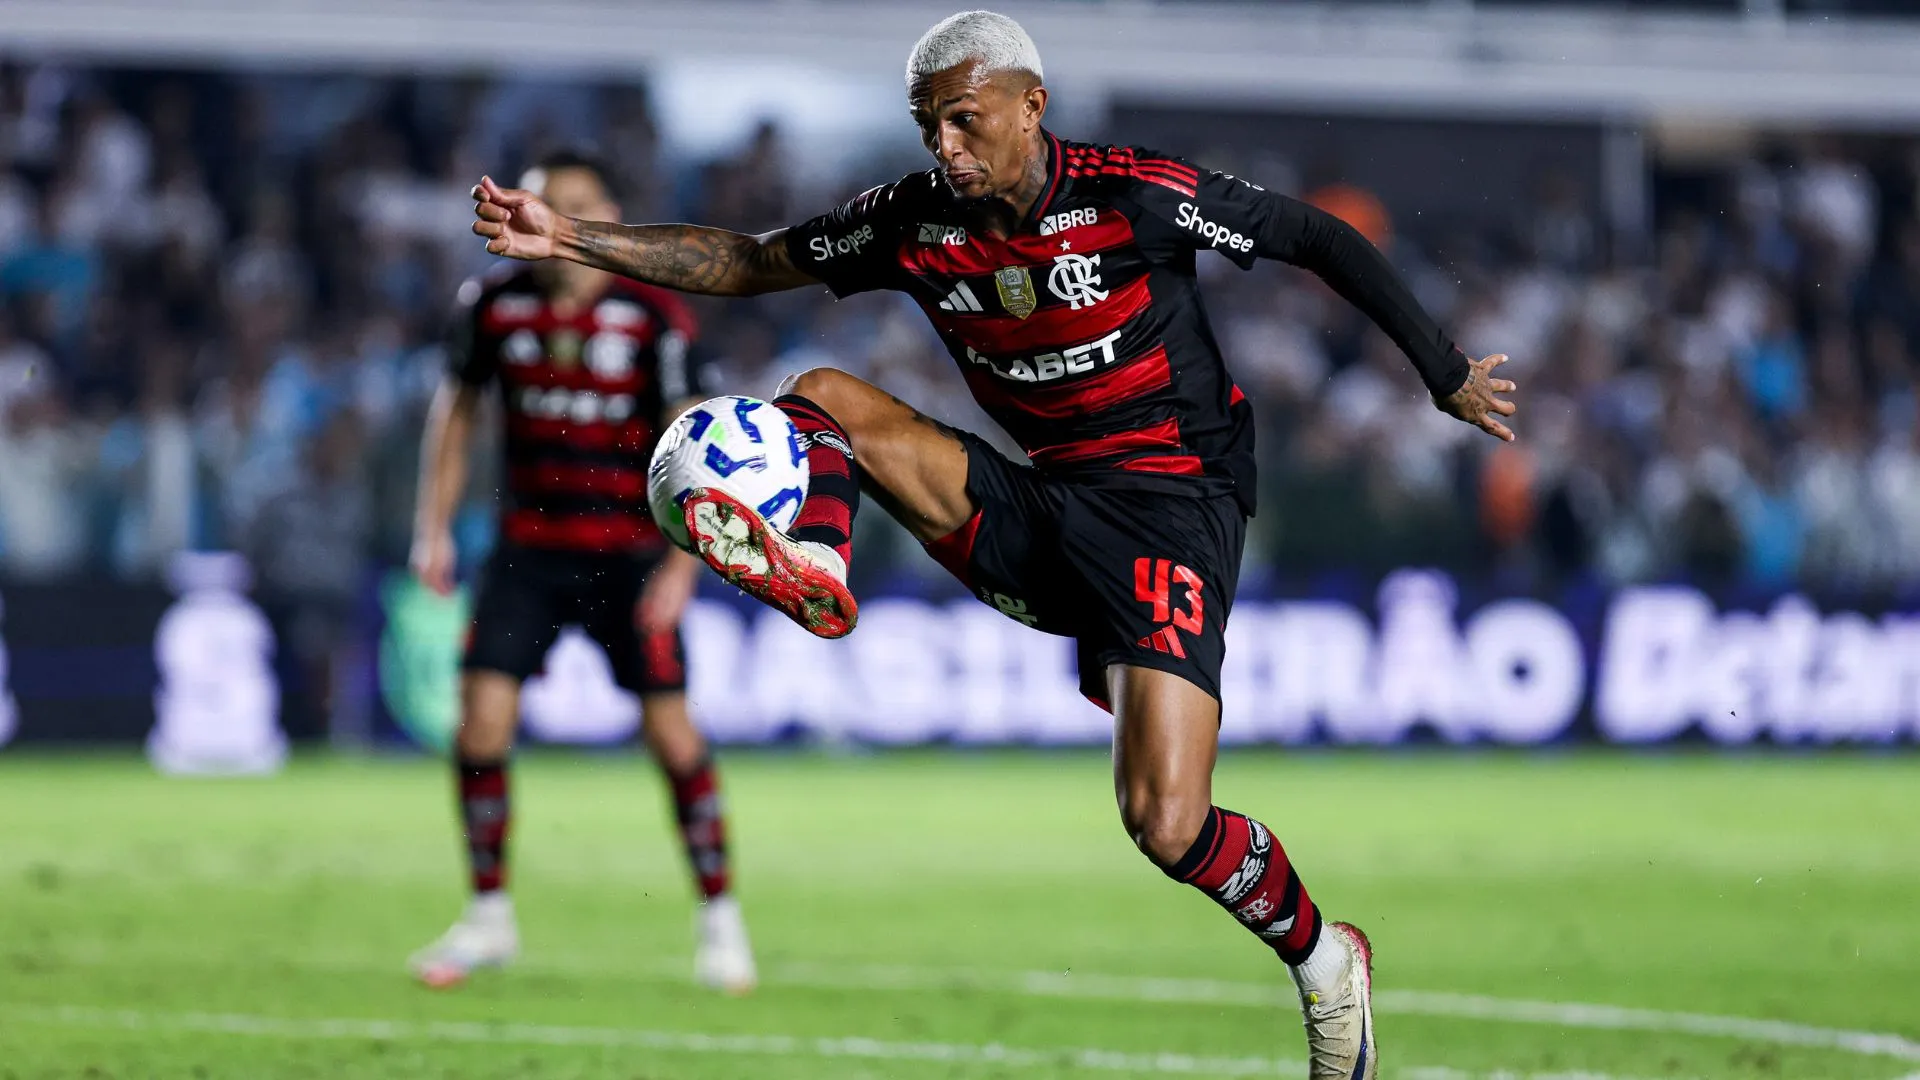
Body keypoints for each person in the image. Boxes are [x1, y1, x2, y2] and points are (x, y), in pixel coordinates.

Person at [471, 14, 1517, 1076]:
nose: (945, 148)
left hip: (1172, 504)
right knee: (816, 393)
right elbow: (749, 260)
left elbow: (1318, 239)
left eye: (965, 122)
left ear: (1032, 107)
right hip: (1042, 502)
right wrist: (567, 238)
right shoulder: (913, 221)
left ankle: (1325, 959)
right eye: (930, 127)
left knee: (1164, 822)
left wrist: (1441, 370)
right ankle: (821, 561)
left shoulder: (1135, 193)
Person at [413, 150, 755, 993]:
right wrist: (433, 529)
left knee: (672, 737)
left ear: (603, 217)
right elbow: (455, 410)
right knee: (480, 726)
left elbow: (693, 443)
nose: (557, 216)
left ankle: (720, 919)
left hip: (632, 557)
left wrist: (684, 565)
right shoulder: (493, 305)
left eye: (577, 205)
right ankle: (489, 916)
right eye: (545, 200)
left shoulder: (654, 316)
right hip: (527, 549)